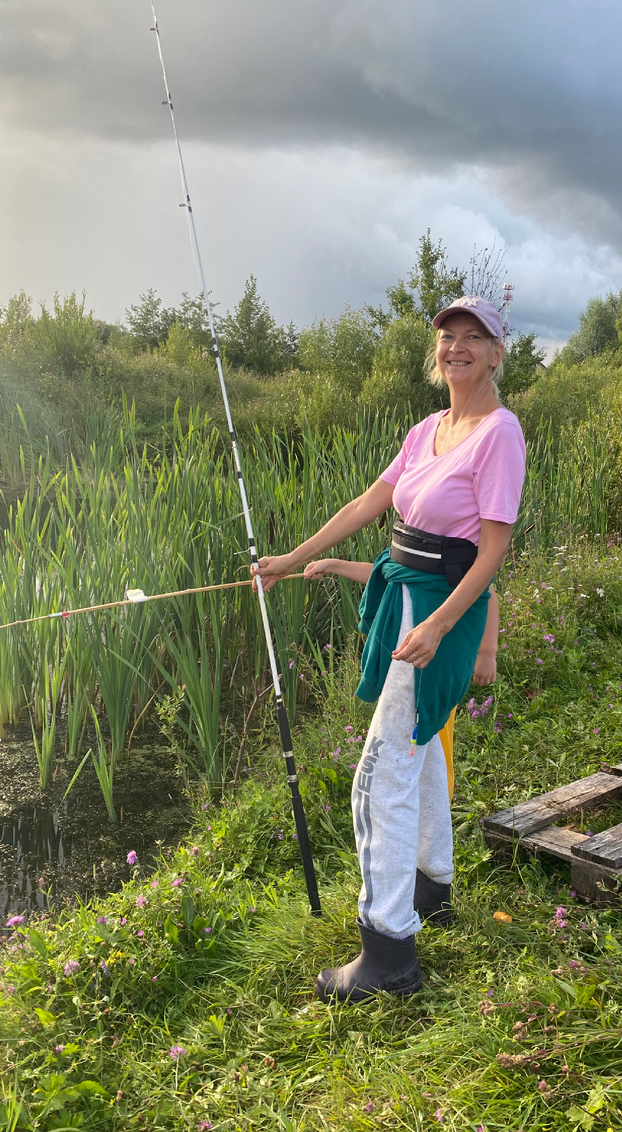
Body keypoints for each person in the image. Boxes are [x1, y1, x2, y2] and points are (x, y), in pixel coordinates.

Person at [254, 294, 525, 1002]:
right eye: (447, 336)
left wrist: (439, 628)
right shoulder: (428, 428)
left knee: (381, 773)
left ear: (497, 352)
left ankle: (387, 954)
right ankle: (431, 886)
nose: (457, 346)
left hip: (437, 613)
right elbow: (365, 508)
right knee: (423, 749)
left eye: (474, 337)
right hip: (403, 598)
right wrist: (292, 557)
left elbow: (492, 552)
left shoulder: (500, 434)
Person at [304, 556, 501, 802]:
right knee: (406, 742)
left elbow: (487, 590)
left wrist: (487, 653)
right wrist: (333, 565)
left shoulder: (459, 550)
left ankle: (438, 802)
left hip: (438, 666)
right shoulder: (414, 545)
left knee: (434, 740)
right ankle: (408, 804)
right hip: (404, 664)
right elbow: (388, 575)